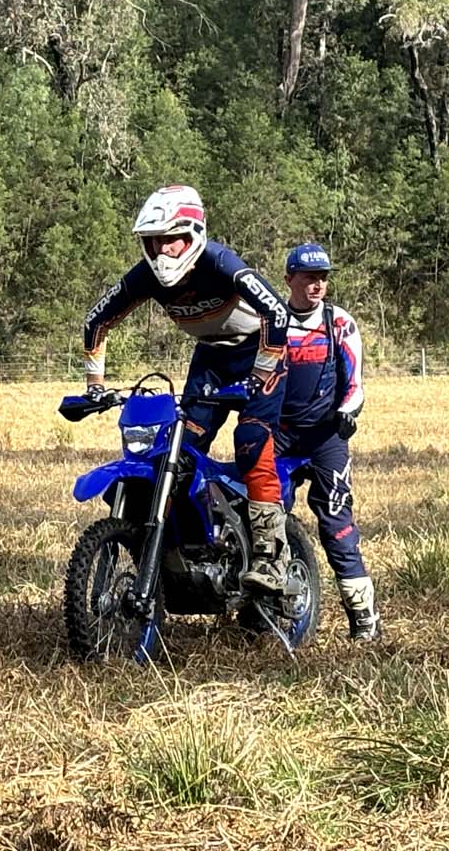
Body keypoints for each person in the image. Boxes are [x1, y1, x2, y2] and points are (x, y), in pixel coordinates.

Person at [83, 185, 292, 593]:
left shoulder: (220, 263)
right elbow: (96, 321)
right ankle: (183, 544)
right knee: (177, 450)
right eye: (153, 241)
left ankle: (271, 558)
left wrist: (258, 375)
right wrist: (95, 387)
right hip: (210, 358)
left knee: (251, 442)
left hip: (258, 354)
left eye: (171, 239)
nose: (162, 250)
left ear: (193, 234)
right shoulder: (146, 276)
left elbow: (277, 311)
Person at [278, 242, 381, 641]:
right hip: (280, 435)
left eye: (322, 278)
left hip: (327, 437)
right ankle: (266, 611)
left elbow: (355, 383)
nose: (317, 285)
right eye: (309, 277)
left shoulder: (339, 323)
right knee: (265, 518)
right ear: (289, 279)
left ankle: (364, 618)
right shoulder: (271, 321)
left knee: (337, 525)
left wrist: (347, 412)